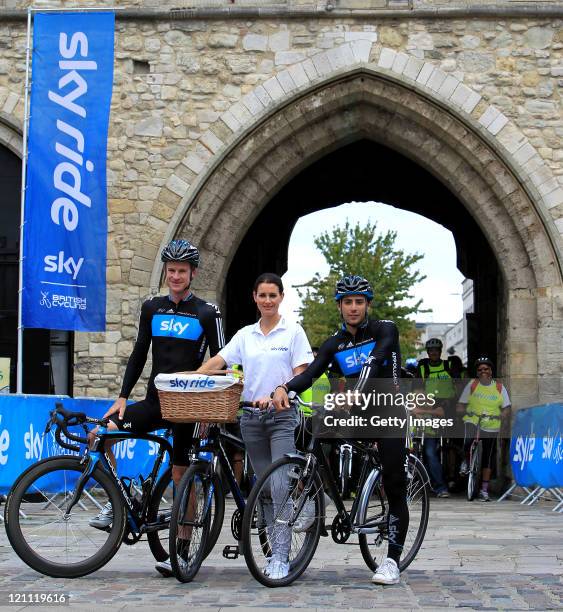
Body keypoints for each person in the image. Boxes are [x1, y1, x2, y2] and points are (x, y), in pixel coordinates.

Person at [88, 239, 225, 577]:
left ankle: (181, 549)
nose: (175, 276)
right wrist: (122, 396)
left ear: (192, 273)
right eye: (171, 270)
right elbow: (138, 352)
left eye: (181, 271)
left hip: (187, 407)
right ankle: (117, 500)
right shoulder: (152, 307)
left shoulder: (208, 312)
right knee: (101, 435)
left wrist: (209, 410)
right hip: (154, 401)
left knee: (182, 476)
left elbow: (222, 362)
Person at [272, 274, 408, 586]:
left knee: (394, 480)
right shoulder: (335, 343)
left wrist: (357, 392)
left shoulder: (384, 329)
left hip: (388, 409)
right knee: (313, 433)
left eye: (359, 302)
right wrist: (284, 388)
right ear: (340, 306)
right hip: (356, 411)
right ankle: (308, 498)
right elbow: (310, 374)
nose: (353, 307)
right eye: (348, 302)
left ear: (368, 304)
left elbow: (374, 363)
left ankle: (391, 560)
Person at [197, 272, 313, 580]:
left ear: (281, 298)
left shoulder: (293, 332)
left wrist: (281, 391)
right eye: (262, 295)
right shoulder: (245, 335)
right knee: (262, 488)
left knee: (278, 487)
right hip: (250, 418)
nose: (267, 301)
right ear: (254, 298)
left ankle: (281, 557)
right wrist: (194, 378)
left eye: (272, 295)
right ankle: (274, 547)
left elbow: (301, 373)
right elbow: (218, 361)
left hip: (281, 417)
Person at [457, 356, 511, 502]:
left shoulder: (499, 387)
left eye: (486, 369)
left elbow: (506, 408)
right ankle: (466, 461)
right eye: (480, 369)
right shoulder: (472, 385)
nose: (483, 371)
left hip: (491, 425)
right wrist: (465, 411)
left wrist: (501, 416)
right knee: (468, 441)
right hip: (473, 420)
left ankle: (484, 490)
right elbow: (460, 405)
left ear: (491, 371)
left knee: (487, 457)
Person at [415, 338, 457, 498]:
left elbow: (457, 385)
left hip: (447, 408)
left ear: (440, 351)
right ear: (427, 352)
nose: (433, 353)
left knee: (450, 447)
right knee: (429, 451)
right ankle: (435, 485)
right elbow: (417, 390)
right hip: (429, 410)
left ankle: (450, 479)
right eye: (431, 350)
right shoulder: (423, 367)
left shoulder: (448, 366)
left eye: (436, 350)